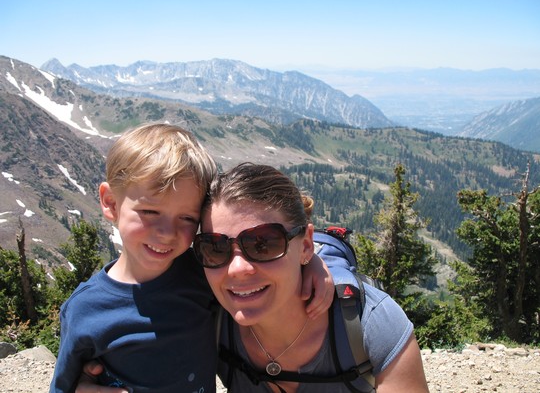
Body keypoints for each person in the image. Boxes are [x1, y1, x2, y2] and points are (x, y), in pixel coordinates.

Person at [50, 124, 333, 393]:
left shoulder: (203, 270)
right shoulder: (85, 309)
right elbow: (65, 384)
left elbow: (280, 257)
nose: (167, 233)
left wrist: (313, 263)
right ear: (110, 202)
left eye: (187, 218)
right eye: (149, 212)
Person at [192, 163, 429, 392]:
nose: (237, 268)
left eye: (263, 244)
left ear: (306, 245)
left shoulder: (370, 321)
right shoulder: (204, 316)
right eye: (215, 247)